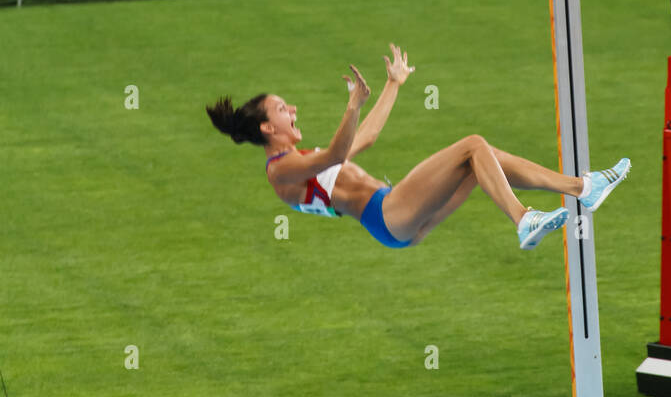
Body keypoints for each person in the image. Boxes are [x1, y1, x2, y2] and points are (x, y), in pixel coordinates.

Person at [207, 46, 632, 252]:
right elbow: (338, 155)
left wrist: (393, 83)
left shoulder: (297, 163)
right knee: (473, 144)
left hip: (396, 220)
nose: (293, 109)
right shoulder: (280, 171)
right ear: (267, 127)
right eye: (283, 109)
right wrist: (352, 104)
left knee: (478, 161)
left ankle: (581, 187)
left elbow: (364, 139)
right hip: (388, 213)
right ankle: (527, 217)